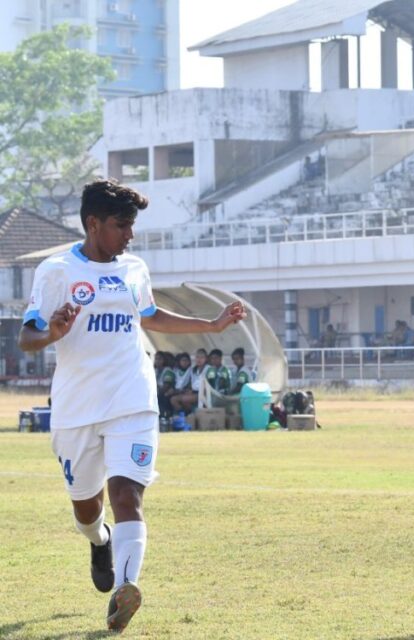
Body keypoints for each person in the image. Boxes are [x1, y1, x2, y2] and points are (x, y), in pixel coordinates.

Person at [17, 179, 246, 632]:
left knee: (127, 494)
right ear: (93, 223)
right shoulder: (56, 271)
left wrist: (212, 324)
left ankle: (125, 590)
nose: (130, 235)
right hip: (77, 407)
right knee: (87, 509)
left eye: (132, 225)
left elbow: (150, 315)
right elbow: (28, 336)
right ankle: (98, 540)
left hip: (132, 398)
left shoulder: (134, 269)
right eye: (121, 225)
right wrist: (52, 334)